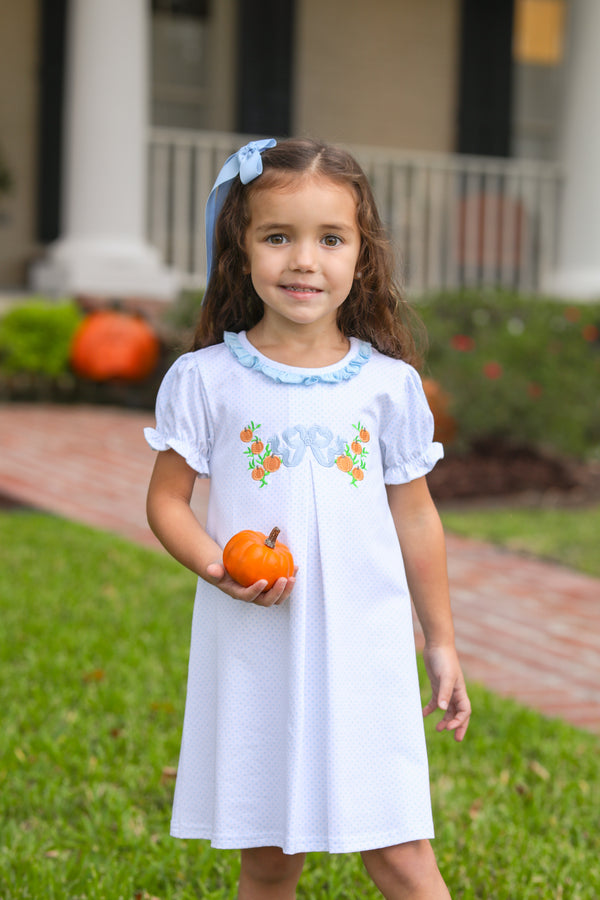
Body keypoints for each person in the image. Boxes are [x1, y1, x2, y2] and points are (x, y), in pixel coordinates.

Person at [145, 137, 471, 899]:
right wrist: (219, 567)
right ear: (242, 248)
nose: (304, 260)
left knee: (400, 853)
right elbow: (166, 500)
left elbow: (417, 519)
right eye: (278, 236)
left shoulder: (390, 388)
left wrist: (442, 641)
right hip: (258, 647)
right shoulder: (204, 380)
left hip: (367, 647)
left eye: (330, 239)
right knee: (268, 860)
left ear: (362, 253)